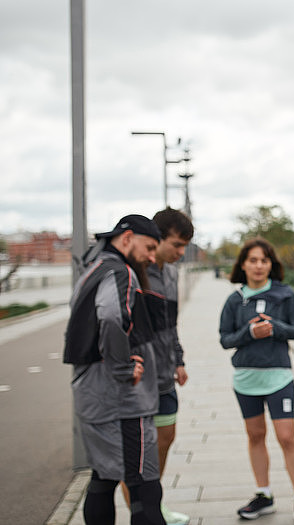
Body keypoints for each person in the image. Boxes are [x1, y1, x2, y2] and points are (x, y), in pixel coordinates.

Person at [63, 214, 166, 525]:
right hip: (121, 401)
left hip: (93, 393)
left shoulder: (91, 269)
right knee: (145, 487)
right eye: (149, 248)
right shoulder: (120, 272)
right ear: (127, 238)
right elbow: (109, 316)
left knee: (104, 478)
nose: (151, 257)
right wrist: (123, 369)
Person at [219, 237, 294, 524]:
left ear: (271, 264)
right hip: (246, 379)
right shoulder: (235, 300)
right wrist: (249, 333)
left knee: (287, 436)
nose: (259, 266)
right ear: (243, 265)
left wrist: (274, 328)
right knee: (256, 435)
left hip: (279, 377)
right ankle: (264, 495)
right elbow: (225, 339)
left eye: (264, 260)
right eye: (253, 260)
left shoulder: (285, 294)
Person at [143, 207, 194, 525]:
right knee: (138, 451)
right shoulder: (136, 272)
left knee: (166, 437)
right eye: (176, 244)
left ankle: (154, 504)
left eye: (185, 245)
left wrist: (178, 359)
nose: (181, 252)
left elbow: (170, 325)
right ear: (157, 239)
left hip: (165, 372)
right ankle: (145, 512)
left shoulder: (173, 274)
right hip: (138, 378)